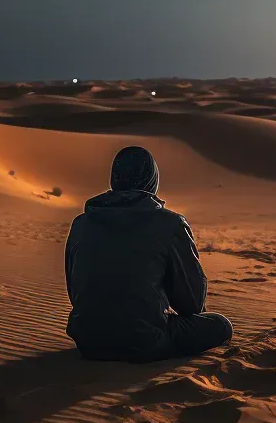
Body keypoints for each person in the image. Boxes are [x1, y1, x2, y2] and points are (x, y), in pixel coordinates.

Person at [64, 145, 233, 363]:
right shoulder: (170, 223)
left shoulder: (81, 223)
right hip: (145, 342)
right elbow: (191, 303)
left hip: (88, 342)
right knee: (221, 325)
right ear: (152, 180)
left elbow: (75, 292)